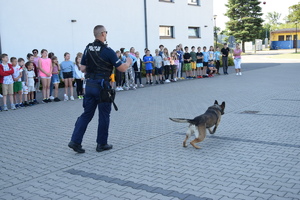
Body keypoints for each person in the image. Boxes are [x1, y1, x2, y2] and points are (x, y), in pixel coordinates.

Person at [68, 25, 132, 153]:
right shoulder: (107, 51)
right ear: (102, 34)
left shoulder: (88, 49)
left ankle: (75, 141)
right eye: (106, 32)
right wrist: (129, 61)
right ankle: (101, 144)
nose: (106, 34)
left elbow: (82, 68)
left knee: (86, 114)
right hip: (102, 87)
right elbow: (122, 68)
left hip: (90, 85)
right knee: (103, 115)